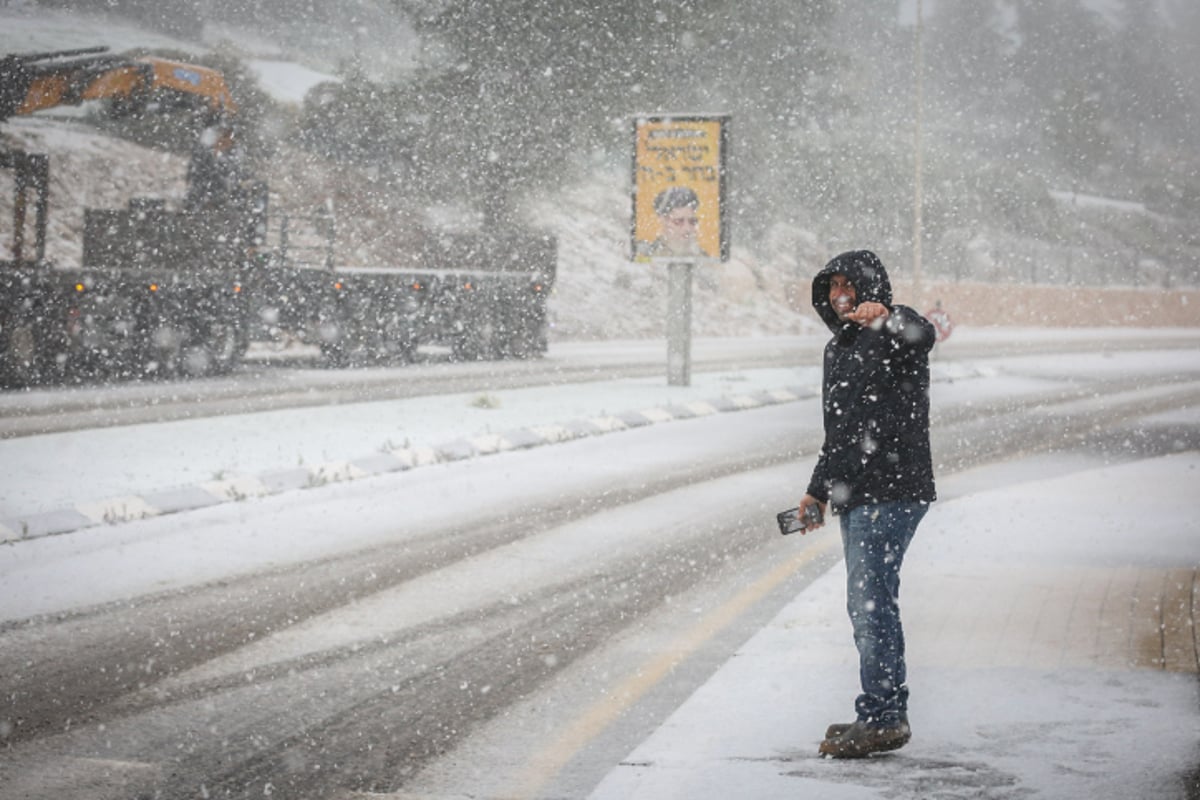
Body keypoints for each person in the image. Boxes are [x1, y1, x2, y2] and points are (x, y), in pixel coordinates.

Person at [796, 250, 937, 759]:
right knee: (867, 602)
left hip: (895, 488)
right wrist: (817, 491)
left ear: (868, 286)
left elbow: (925, 335)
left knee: (870, 600)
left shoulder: (893, 333)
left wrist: (890, 314)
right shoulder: (840, 348)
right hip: (855, 493)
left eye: (847, 284)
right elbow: (839, 432)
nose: (839, 294)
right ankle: (877, 709)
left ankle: (882, 715)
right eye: (831, 287)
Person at [636, 186, 714, 259]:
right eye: (678, 221)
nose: (687, 229)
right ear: (663, 220)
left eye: (692, 222)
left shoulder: (703, 258)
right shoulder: (647, 255)